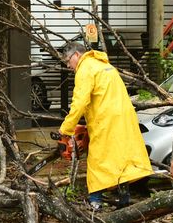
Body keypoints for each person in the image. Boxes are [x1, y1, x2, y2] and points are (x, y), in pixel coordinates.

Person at [59, 41, 153, 210]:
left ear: (77, 55)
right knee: (121, 159)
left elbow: (79, 102)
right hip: (123, 119)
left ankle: (95, 202)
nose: (68, 65)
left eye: (68, 61)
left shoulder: (85, 69)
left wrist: (66, 128)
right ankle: (124, 200)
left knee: (97, 160)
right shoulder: (104, 65)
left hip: (105, 122)